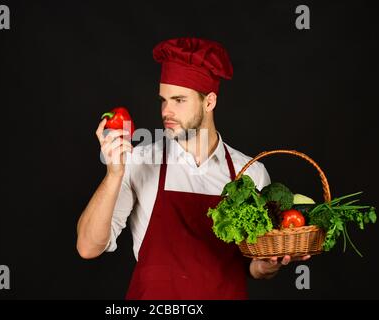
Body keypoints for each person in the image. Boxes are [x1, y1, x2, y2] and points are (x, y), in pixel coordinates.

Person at [76, 37, 310, 299]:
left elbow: (254, 267)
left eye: (178, 100)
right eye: (163, 100)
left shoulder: (250, 172)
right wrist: (113, 174)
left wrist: (267, 264)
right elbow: (88, 247)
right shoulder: (139, 160)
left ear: (209, 102)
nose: (166, 111)